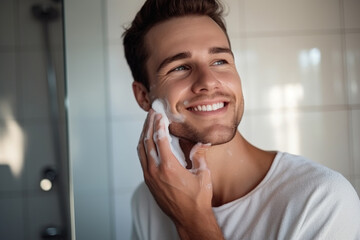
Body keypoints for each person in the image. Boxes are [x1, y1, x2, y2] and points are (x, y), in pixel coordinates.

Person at [122, 0, 360, 239]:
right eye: (180, 67)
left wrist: (194, 223)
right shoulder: (147, 201)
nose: (208, 81)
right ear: (143, 96)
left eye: (219, 61)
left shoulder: (322, 200)